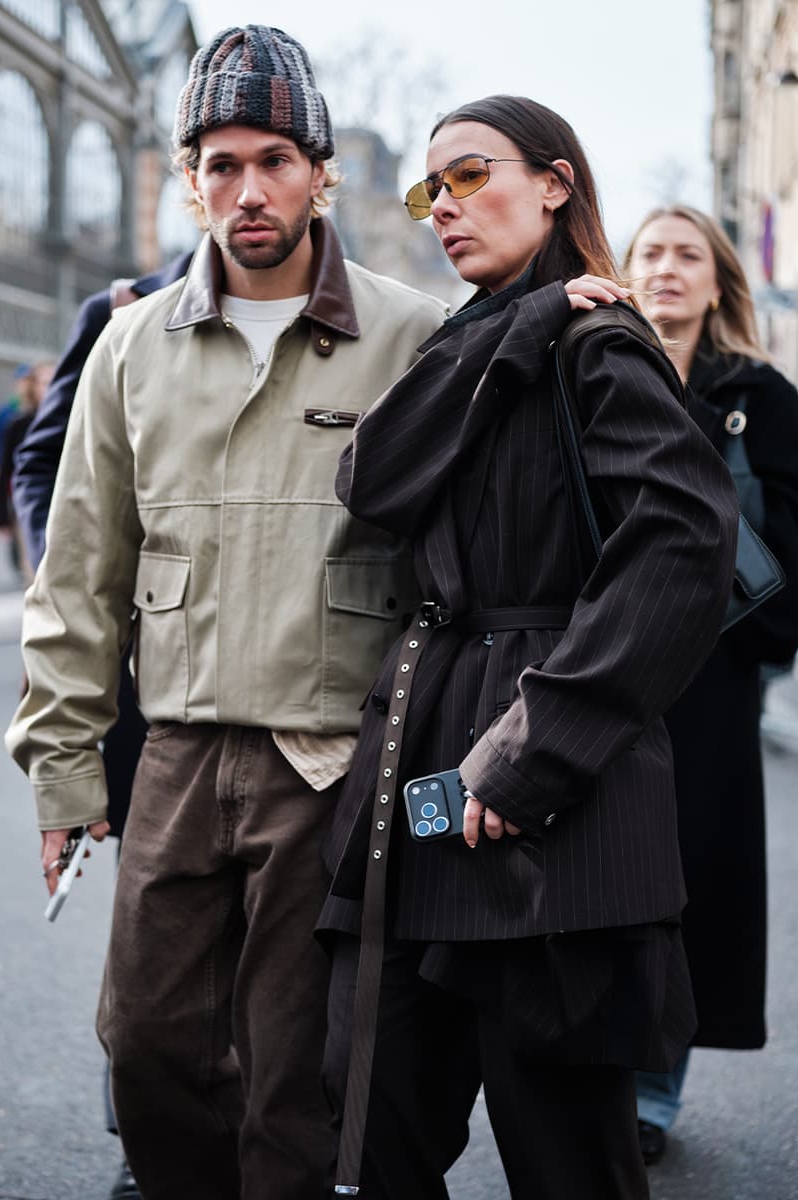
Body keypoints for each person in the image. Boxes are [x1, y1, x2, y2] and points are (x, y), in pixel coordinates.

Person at [5, 23, 448, 1200]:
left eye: (272, 161)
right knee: (146, 1049)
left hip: (333, 763)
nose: (246, 190)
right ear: (188, 179)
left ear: (320, 171)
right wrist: (62, 775)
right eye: (219, 164)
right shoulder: (132, 343)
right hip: (178, 759)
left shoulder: (414, 336)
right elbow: (81, 574)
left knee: (291, 1078)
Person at [318, 95, 739, 1200]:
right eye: (429, 190)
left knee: (566, 1154)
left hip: (539, 816)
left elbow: (682, 549)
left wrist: (532, 752)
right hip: (413, 789)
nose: (443, 208)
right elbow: (371, 482)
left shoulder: (602, 347)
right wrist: (526, 314)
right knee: (368, 1125)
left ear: (554, 182)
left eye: (469, 175)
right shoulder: (490, 337)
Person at [10, 257, 191, 1200]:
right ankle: (144, 1138)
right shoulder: (122, 308)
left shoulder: (359, 307)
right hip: (136, 680)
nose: (250, 187)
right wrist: (68, 570)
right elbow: (44, 459)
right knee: (150, 927)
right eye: (222, 162)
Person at [624, 205, 798, 1165]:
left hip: (712, 678)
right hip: (597, 664)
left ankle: (653, 1088)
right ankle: (589, 1068)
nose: (667, 269)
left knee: (688, 884)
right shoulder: (594, 371)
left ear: (719, 278)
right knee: (592, 871)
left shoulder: (760, 396)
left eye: (688, 254)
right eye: (650, 252)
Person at [0, 361, 55, 581]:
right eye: (44, 382)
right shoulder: (18, 423)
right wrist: (2, 515)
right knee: (34, 571)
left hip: (66, 503)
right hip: (29, 506)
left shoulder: (75, 419)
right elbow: (7, 470)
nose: (50, 388)